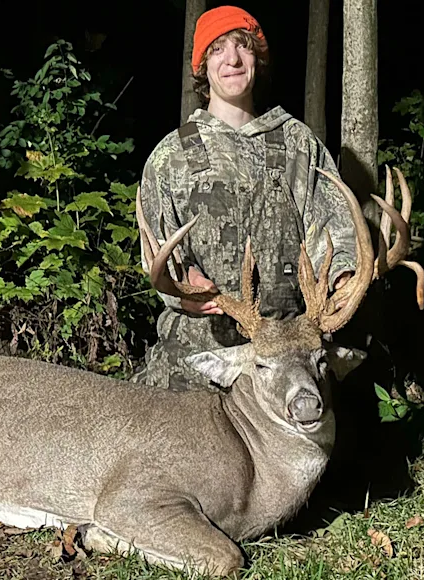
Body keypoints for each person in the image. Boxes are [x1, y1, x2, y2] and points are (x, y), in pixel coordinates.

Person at [134, 5, 358, 391]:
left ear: (258, 58)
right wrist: (182, 288)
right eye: (218, 49)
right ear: (203, 67)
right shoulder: (171, 155)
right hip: (200, 351)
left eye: (243, 46)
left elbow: (334, 229)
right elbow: (156, 250)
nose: (233, 59)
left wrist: (342, 275)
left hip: (287, 351)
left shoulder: (296, 143)